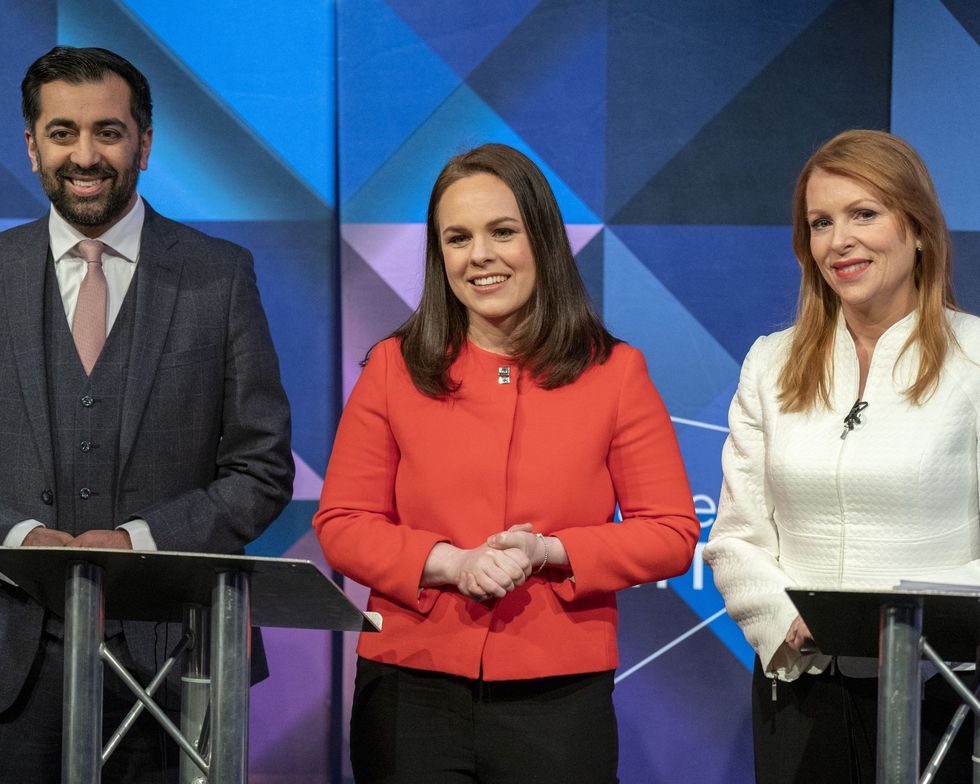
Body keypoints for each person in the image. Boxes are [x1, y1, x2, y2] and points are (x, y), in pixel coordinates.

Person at [315, 143, 699, 783]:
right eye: (457, 238)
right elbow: (343, 522)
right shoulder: (393, 367)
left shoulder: (615, 372)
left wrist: (547, 552)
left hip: (558, 697)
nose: (480, 256)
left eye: (502, 232)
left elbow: (670, 532)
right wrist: (451, 563)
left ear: (542, 240)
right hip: (410, 688)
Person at [0, 46, 294, 782]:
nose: (86, 154)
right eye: (62, 132)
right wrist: (16, 535)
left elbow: (261, 468)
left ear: (145, 143)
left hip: (171, 660)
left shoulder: (219, 275)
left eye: (109, 130)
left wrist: (141, 541)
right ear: (31, 146)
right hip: (8, 662)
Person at [704, 129, 978, 783]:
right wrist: (783, 618)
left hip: (945, 694)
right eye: (820, 223)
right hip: (801, 694)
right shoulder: (770, 362)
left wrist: (917, 630)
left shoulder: (975, 359)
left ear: (916, 227)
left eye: (864, 214)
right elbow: (738, 536)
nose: (839, 240)